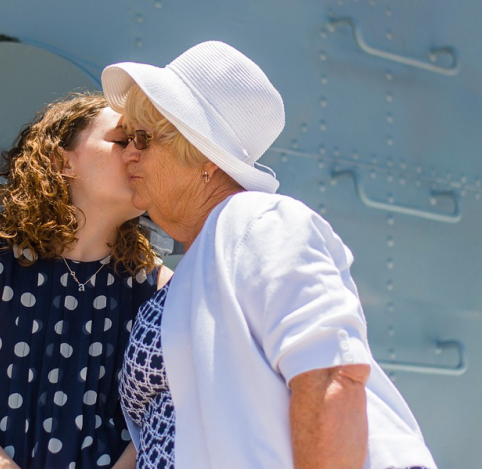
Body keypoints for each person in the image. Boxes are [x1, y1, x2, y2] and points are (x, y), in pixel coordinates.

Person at [101, 41, 437, 469]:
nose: (128, 152)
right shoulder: (204, 258)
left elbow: (331, 376)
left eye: (142, 139)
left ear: (202, 156)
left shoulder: (259, 221)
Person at [0, 92, 172, 469]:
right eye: (121, 140)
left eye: (143, 143)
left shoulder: (159, 288)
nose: (136, 153)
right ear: (63, 162)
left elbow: (153, 425)